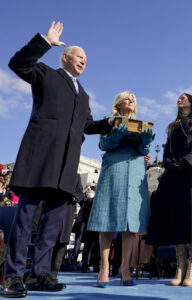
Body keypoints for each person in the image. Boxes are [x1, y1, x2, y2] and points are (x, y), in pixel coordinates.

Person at [1, 22, 112, 298]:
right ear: (65, 57)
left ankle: (40, 275)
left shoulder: (84, 95)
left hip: (65, 168)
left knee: (52, 225)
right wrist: (45, 42)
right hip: (39, 160)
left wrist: (110, 123)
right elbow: (17, 63)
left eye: (86, 59)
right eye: (79, 56)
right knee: (26, 220)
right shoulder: (45, 74)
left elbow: (87, 125)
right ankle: (13, 277)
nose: (84, 60)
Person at [146, 93, 192, 287]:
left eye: (183, 97)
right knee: (177, 218)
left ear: (191, 101)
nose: (179, 99)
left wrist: (187, 161)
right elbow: (167, 147)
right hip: (174, 174)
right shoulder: (172, 126)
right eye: (178, 98)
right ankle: (180, 266)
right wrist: (168, 162)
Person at [87, 91, 154, 288]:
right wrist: (114, 138)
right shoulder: (109, 121)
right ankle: (104, 267)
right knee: (106, 219)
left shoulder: (141, 124)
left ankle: (126, 268)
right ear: (118, 104)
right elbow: (102, 144)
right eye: (127, 98)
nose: (131, 101)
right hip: (114, 169)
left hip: (135, 170)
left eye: (133, 99)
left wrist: (146, 142)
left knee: (130, 222)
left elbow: (143, 151)